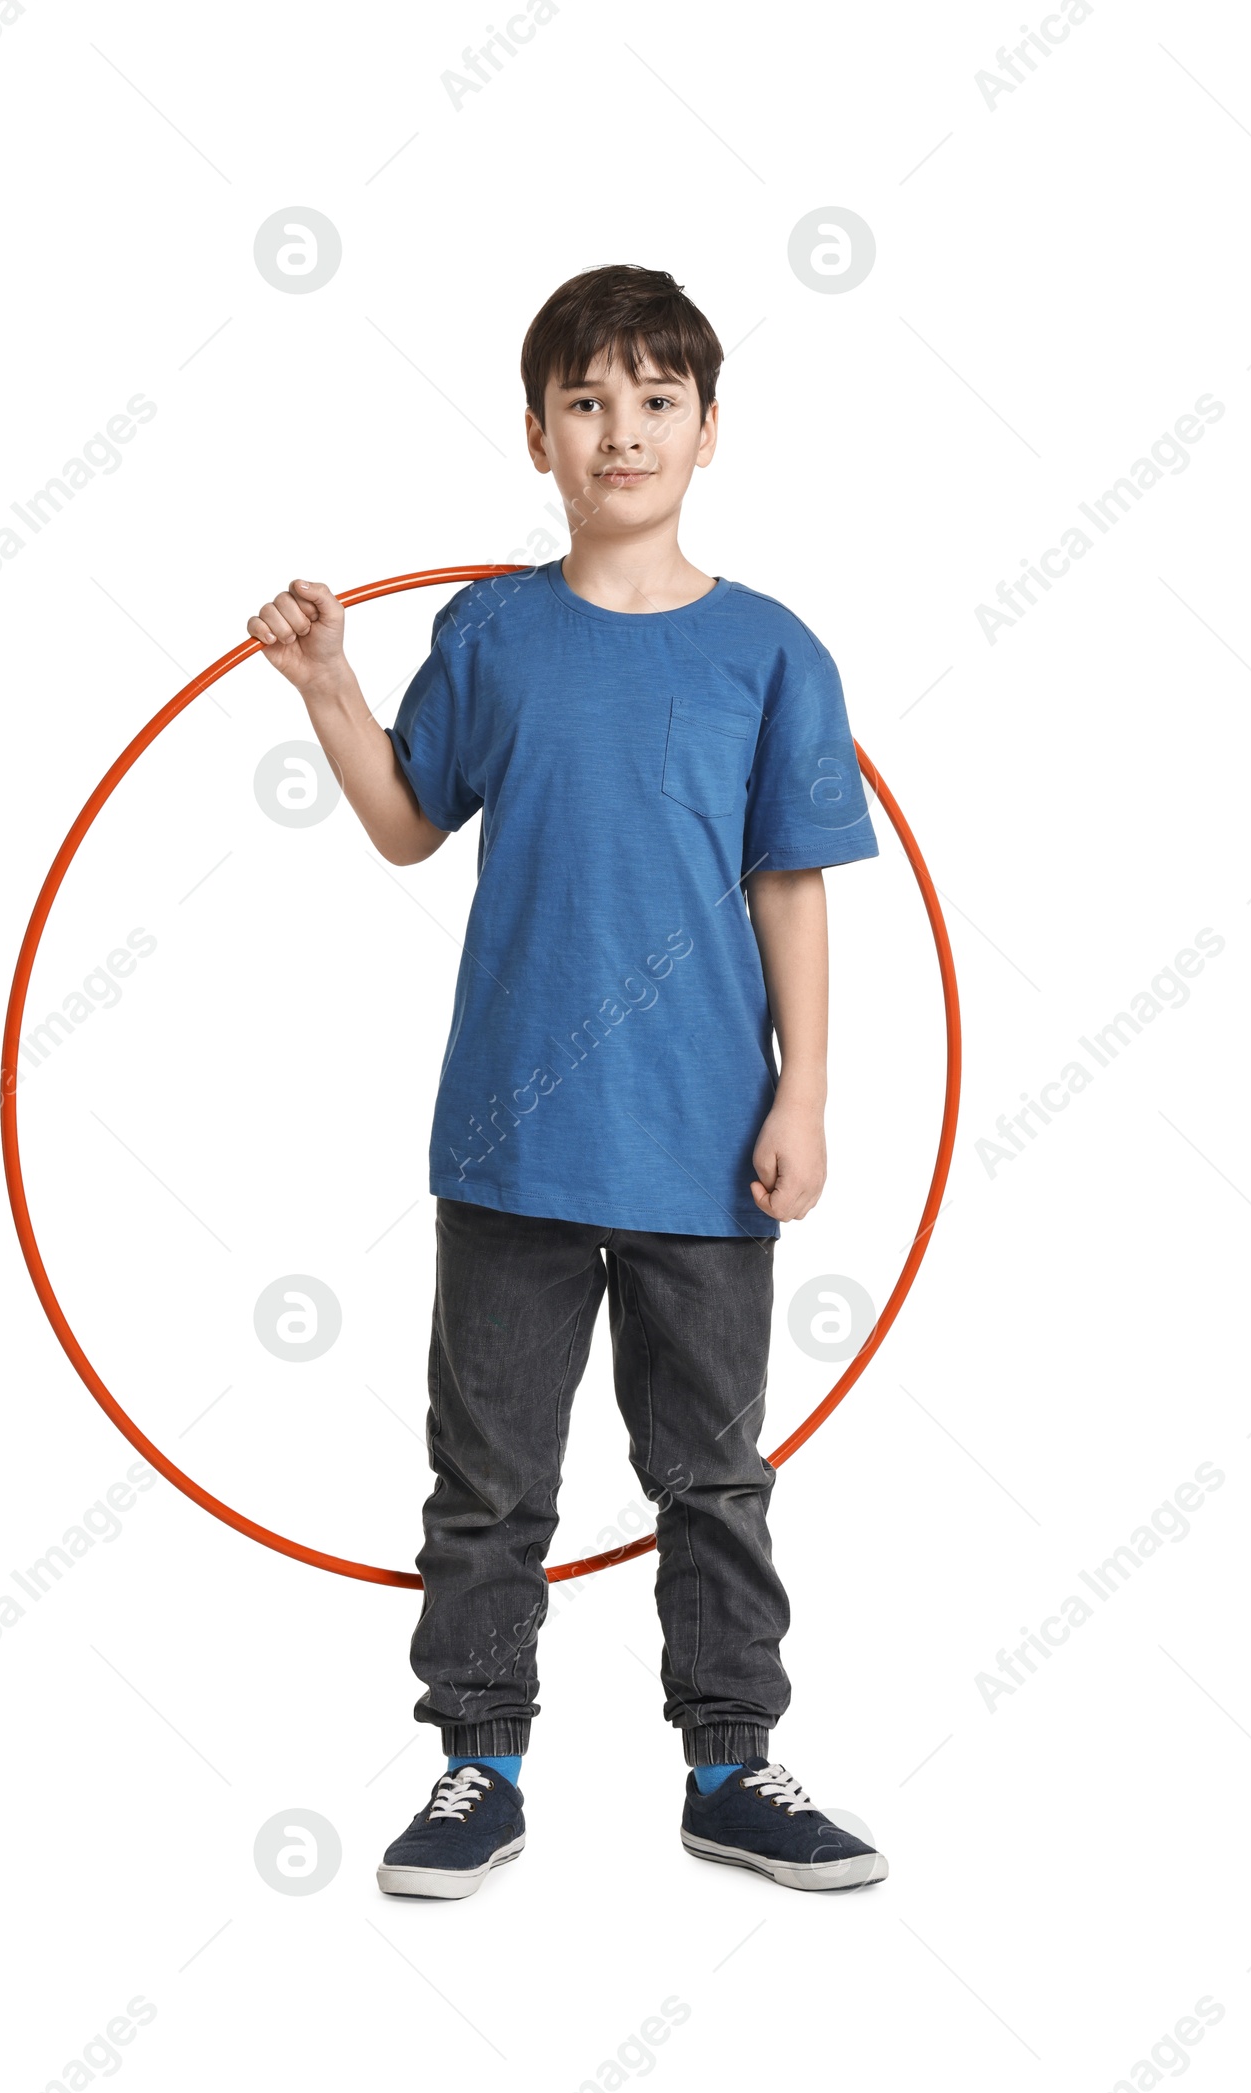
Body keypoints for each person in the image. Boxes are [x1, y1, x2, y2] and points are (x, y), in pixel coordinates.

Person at [247, 264, 888, 1898]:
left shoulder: (771, 652)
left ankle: (733, 1766)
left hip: (702, 1146)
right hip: (514, 1144)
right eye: (587, 402)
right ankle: (478, 1765)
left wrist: (802, 1094)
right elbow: (406, 822)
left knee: (715, 1476)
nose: (623, 431)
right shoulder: (494, 633)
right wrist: (327, 684)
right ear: (536, 435)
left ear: (710, 429)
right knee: (488, 1482)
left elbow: (791, 884)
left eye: (656, 400)